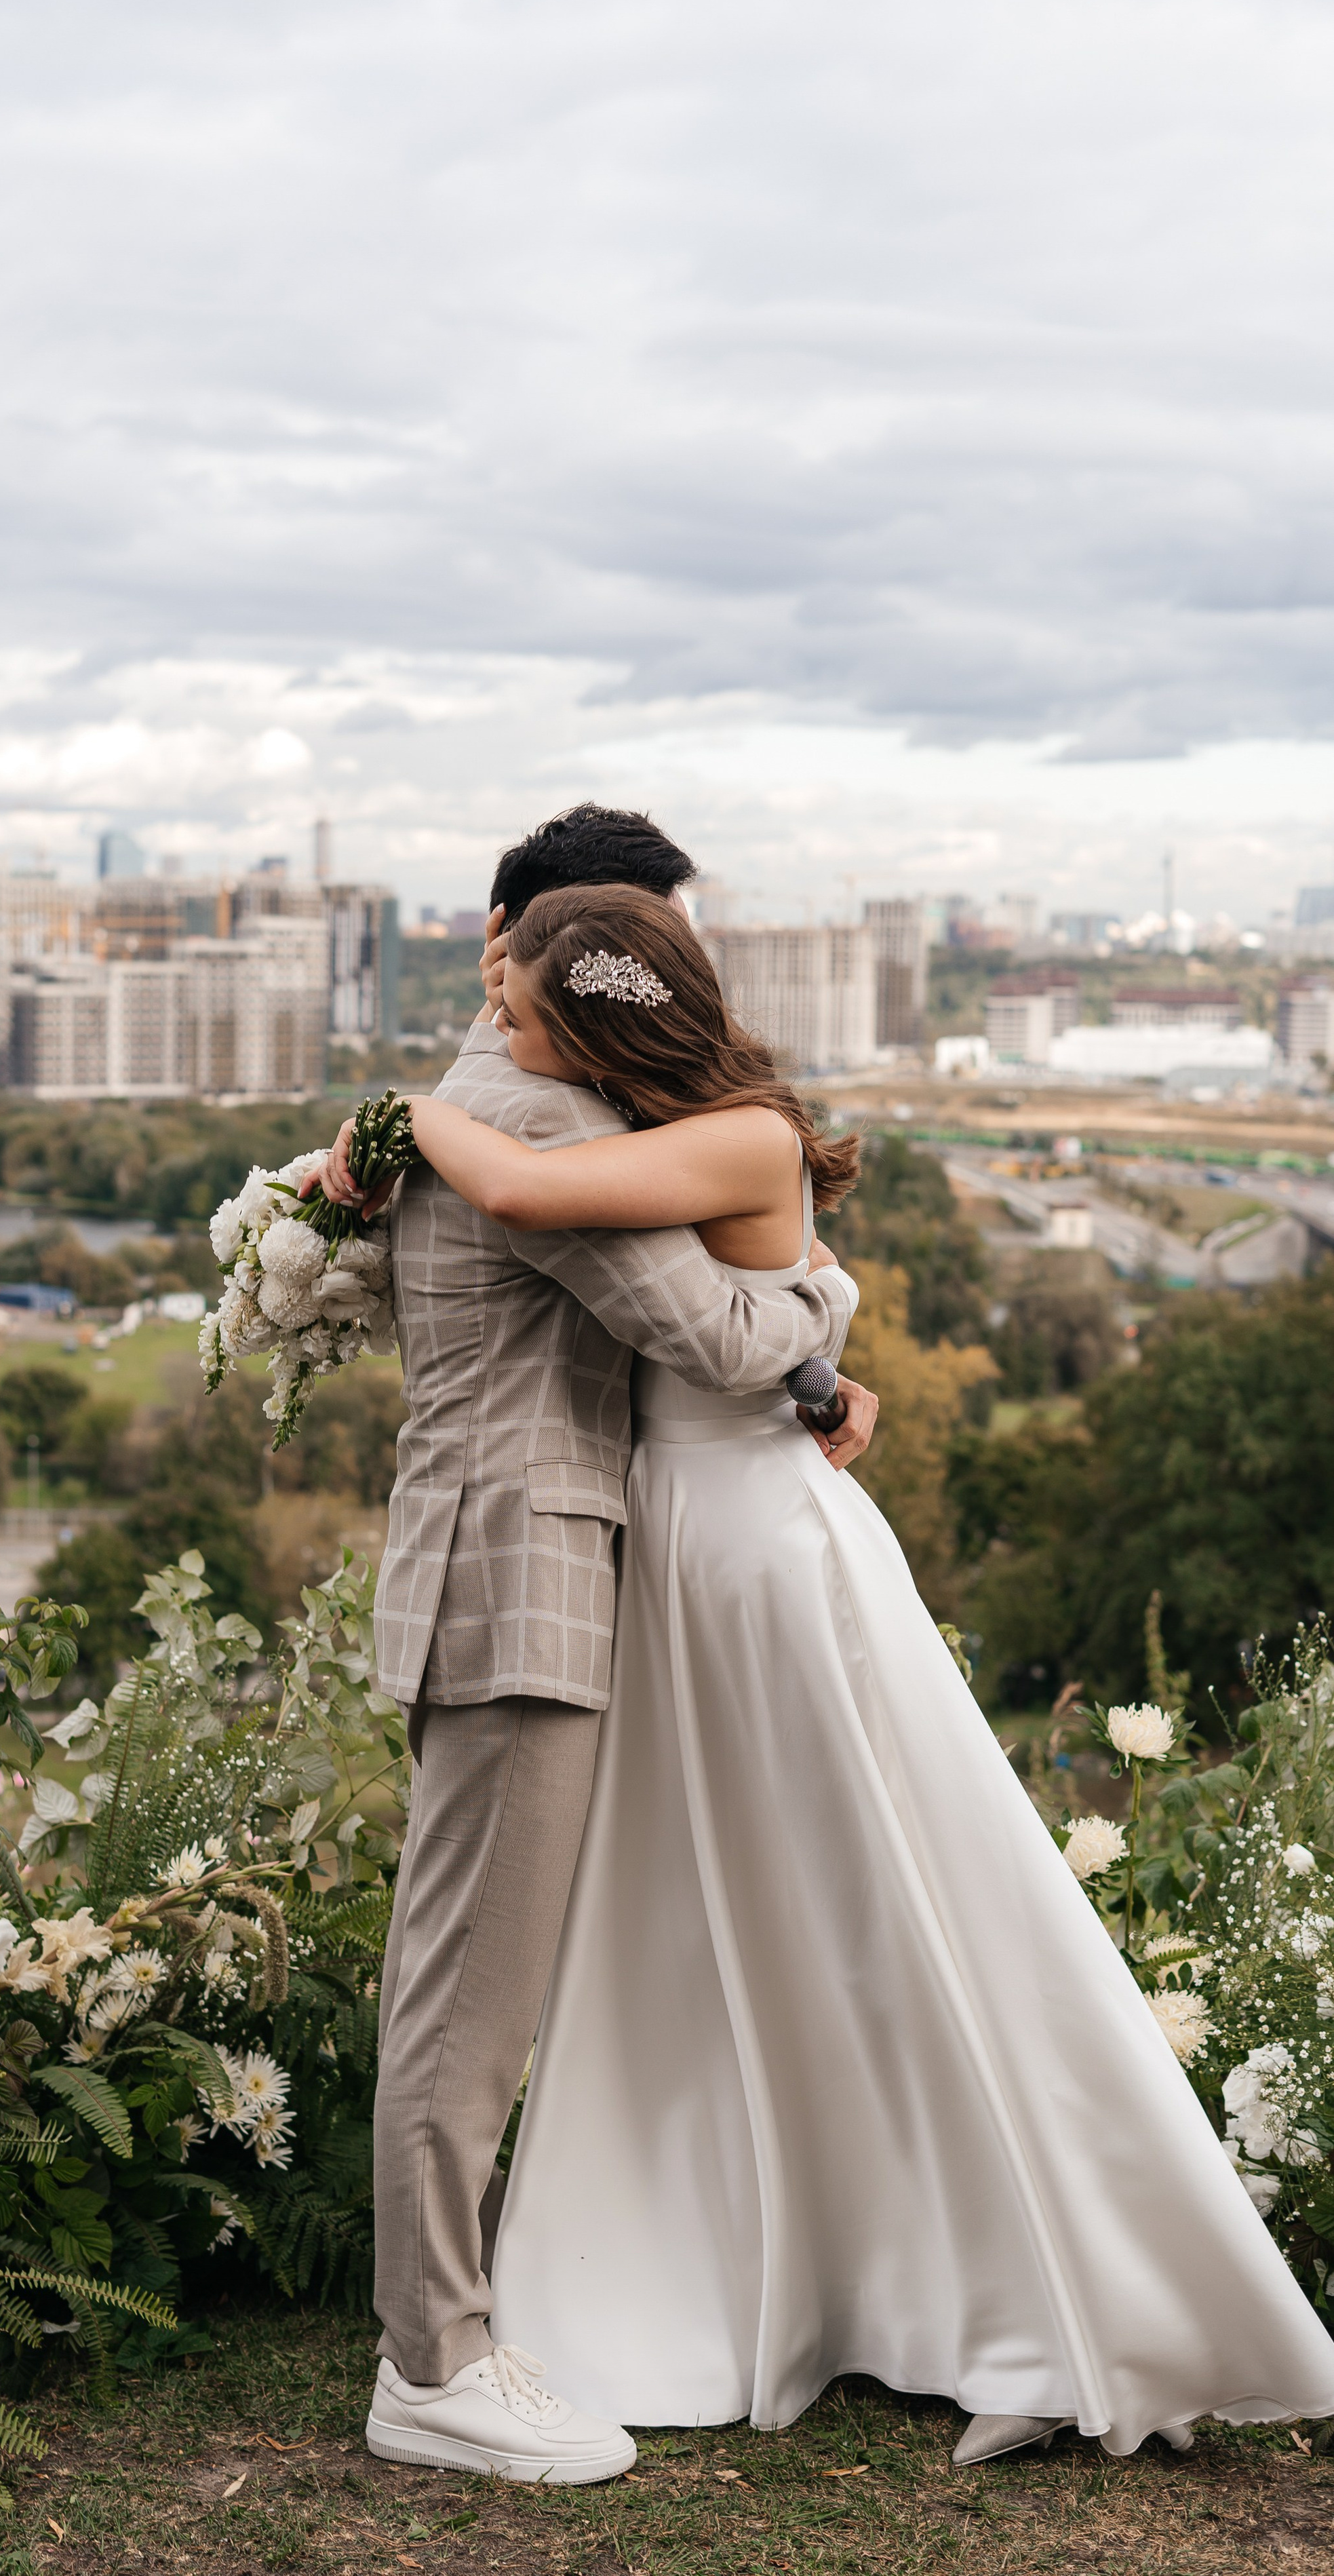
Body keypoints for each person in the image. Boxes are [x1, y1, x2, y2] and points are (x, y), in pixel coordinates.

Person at [321, 877, 1334, 2464]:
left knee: (890, 1903)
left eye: (518, 992)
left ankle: (1027, 2287)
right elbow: (640, 1273)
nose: (490, 1013)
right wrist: (811, 1335)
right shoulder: (566, 1117)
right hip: (653, 1564)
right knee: (732, 1937)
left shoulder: (710, 1132)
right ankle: (784, 2281)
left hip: (745, 1559)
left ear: (599, 1020)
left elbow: (638, 1277)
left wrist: (395, 1128)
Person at [335, 805, 877, 2485]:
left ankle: (457, 2328)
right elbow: (700, 1329)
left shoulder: (475, 1096)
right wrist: (826, 1315)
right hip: (526, 1572)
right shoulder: (530, 1121)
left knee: (474, 1975)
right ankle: (433, 2363)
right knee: (469, 1997)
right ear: (533, 939)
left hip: (495, 1558)